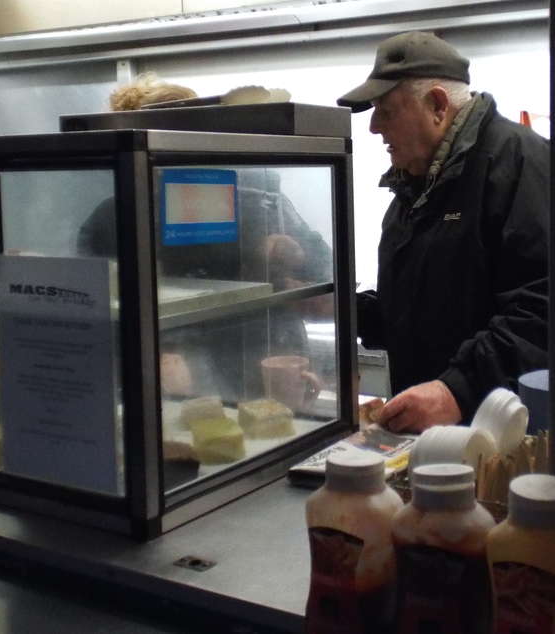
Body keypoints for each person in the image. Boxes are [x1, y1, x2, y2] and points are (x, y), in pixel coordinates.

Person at [337, 31, 549, 433]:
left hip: (497, 435)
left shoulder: (520, 162)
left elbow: (540, 308)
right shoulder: (415, 185)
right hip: (429, 432)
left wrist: (459, 389)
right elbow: (420, 309)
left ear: (436, 105)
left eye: (385, 109)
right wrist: (347, 312)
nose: (374, 128)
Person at [79, 74, 333, 404]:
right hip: (177, 389)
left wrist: (295, 257)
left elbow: (325, 279)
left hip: (264, 368)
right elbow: (89, 312)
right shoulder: (113, 216)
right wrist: (142, 361)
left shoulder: (253, 200)